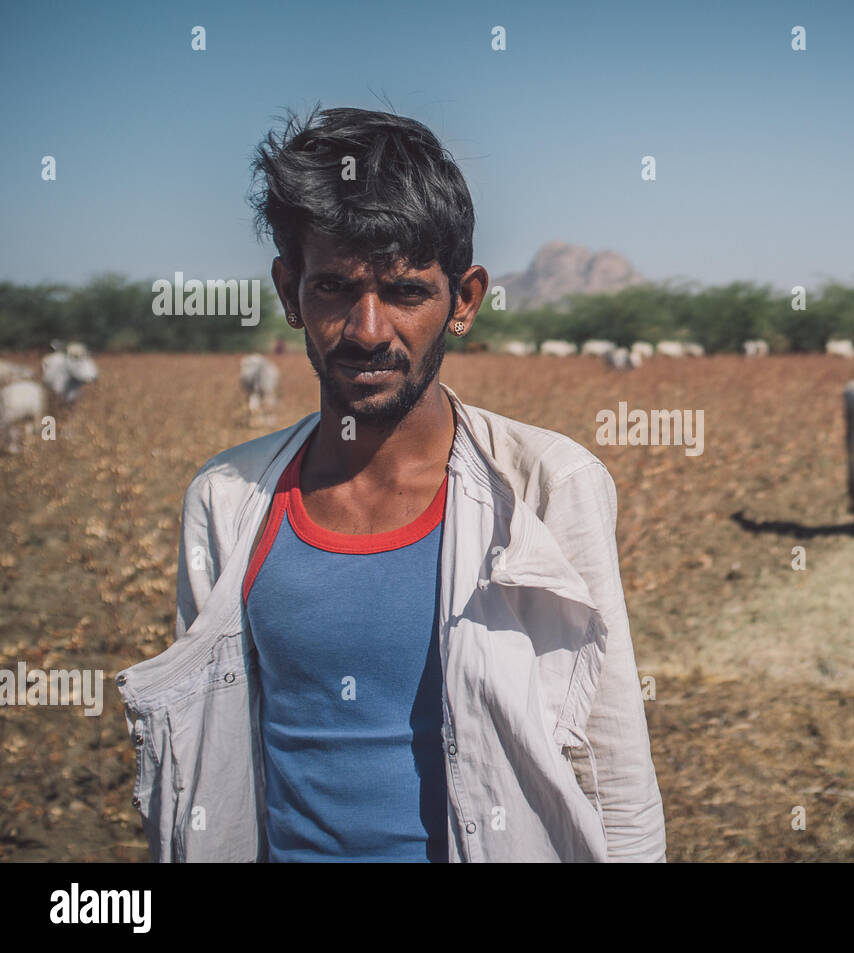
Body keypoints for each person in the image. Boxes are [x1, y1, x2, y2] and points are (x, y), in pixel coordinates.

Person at [114, 107, 666, 863]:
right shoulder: (227, 500)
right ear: (289, 291)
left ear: (464, 300)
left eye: (405, 291)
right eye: (335, 287)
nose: (368, 329)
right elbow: (209, 746)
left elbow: (611, 761)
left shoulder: (545, 489)